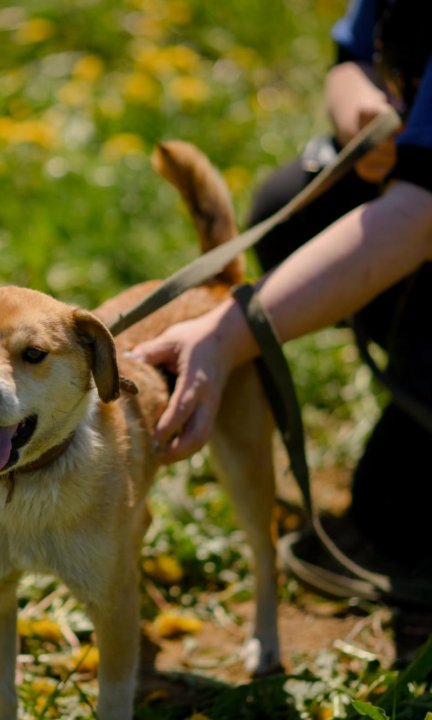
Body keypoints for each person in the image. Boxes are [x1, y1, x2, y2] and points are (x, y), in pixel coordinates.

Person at [132, 0, 432, 566]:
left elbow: (418, 219)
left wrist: (225, 336)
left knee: (397, 517)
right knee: (287, 207)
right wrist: (361, 111)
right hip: (417, 208)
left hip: (419, 218)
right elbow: (350, 59)